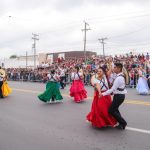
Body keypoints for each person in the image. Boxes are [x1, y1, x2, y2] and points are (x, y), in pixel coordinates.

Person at [101, 63, 127, 130]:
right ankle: (121, 123)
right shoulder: (120, 76)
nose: (113, 68)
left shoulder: (119, 78)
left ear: (119, 69)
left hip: (119, 96)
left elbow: (112, 89)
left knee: (111, 110)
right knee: (115, 109)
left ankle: (123, 122)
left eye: (115, 67)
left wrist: (103, 94)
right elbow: (111, 78)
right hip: (119, 95)